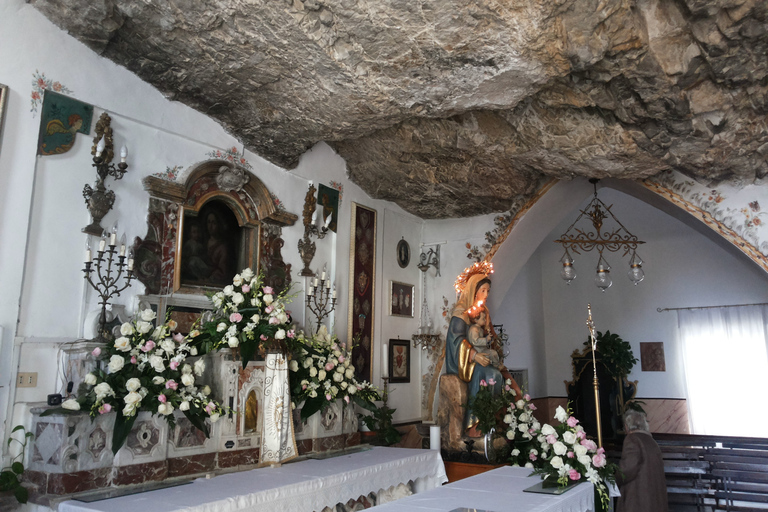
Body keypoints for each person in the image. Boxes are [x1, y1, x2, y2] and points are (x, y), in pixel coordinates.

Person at [446, 273, 522, 435]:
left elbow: (490, 338)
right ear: (474, 291)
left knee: (507, 382)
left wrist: (495, 345)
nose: (487, 295)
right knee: (490, 375)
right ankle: (476, 425)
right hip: (468, 363)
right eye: (483, 290)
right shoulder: (460, 313)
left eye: (488, 291)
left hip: (484, 358)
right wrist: (475, 356)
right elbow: (455, 341)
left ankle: (495, 422)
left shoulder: (483, 312)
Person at [616, 409, 668, 512]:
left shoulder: (632, 439)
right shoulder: (651, 441)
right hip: (653, 495)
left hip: (638, 497)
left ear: (627, 426)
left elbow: (628, 469)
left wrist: (614, 479)